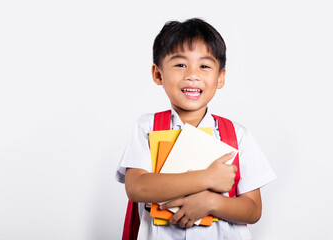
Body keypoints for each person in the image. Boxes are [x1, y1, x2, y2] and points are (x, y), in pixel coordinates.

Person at [116, 18, 276, 240]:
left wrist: (211, 202)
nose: (192, 74)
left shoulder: (237, 135)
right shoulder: (147, 127)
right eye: (180, 64)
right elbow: (137, 188)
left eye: (204, 66)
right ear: (158, 74)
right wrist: (207, 178)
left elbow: (253, 209)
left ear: (220, 77)